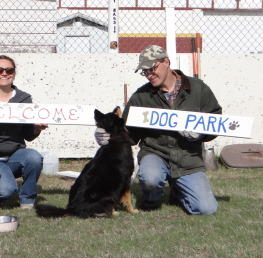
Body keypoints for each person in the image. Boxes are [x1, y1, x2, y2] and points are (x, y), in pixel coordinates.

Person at [95, 45, 221, 215]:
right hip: (155, 154)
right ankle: (151, 199)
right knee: (150, 179)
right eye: (144, 71)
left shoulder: (197, 88)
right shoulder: (141, 97)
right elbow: (127, 134)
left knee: (207, 209)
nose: (149, 75)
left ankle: (178, 191)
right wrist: (107, 135)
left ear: (166, 62)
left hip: (188, 160)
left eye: (152, 68)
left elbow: (216, 119)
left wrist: (202, 133)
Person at [0, 55, 47, 209]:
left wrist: (37, 128)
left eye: (9, 70)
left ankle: (27, 200)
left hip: (15, 155)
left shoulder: (24, 98)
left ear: (14, 73)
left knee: (34, 157)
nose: (4, 73)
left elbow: (28, 135)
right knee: (6, 191)